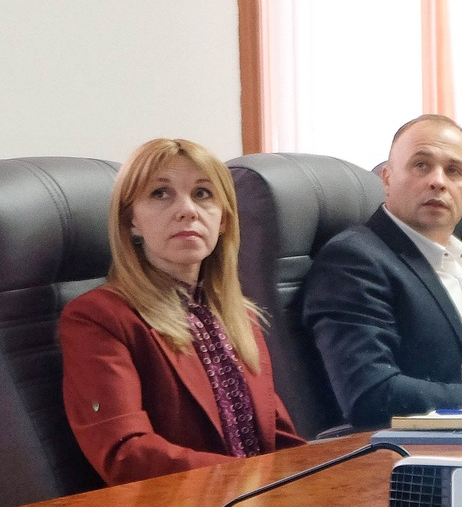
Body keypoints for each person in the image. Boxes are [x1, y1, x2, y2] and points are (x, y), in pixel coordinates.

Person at [60, 138, 303, 484]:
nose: (187, 210)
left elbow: (276, 438)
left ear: (223, 219)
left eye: (203, 194)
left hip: (257, 501)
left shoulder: (239, 315)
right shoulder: (98, 317)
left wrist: (321, 479)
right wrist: (250, 481)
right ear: (131, 221)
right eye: (160, 194)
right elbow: (125, 453)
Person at [301, 115, 462, 428]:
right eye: (421, 165)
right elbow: (370, 395)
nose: (438, 181)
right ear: (387, 179)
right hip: (429, 446)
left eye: (453, 171)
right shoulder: (353, 261)